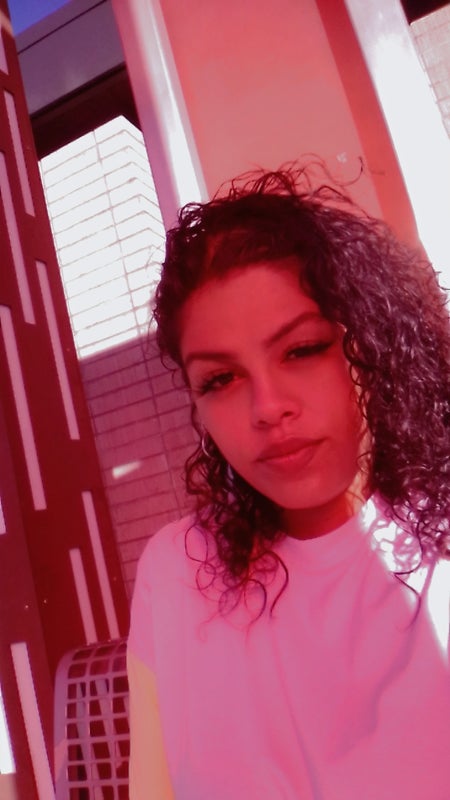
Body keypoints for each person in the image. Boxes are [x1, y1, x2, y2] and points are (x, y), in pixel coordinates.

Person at [127, 165, 450, 800]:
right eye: (220, 379)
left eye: (301, 350)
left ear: (370, 343)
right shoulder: (175, 571)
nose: (267, 407)